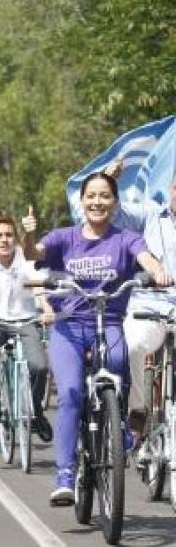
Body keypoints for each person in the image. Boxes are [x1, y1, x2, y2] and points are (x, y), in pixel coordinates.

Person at [21, 171, 171, 506]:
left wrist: (157, 272)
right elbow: (34, 254)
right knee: (72, 392)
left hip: (110, 322)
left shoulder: (125, 238)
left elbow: (146, 257)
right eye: (91, 196)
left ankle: (119, 429)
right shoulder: (65, 237)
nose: (97, 202)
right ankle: (65, 475)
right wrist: (27, 237)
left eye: (105, 196)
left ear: (114, 202)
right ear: (82, 200)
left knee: (119, 360)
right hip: (69, 327)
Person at [96, 159, 176, 442]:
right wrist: (107, 180)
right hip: (150, 307)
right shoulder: (152, 214)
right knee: (132, 347)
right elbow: (112, 216)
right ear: (171, 189)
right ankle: (138, 408)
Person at [0, 215, 54, 441]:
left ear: (15, 239)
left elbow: (39, 289)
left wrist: (46, 309)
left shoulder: (26, 260)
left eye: (9, 235)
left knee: (40, 366)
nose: (4, 240)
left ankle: (36, 412)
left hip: (26, 321)